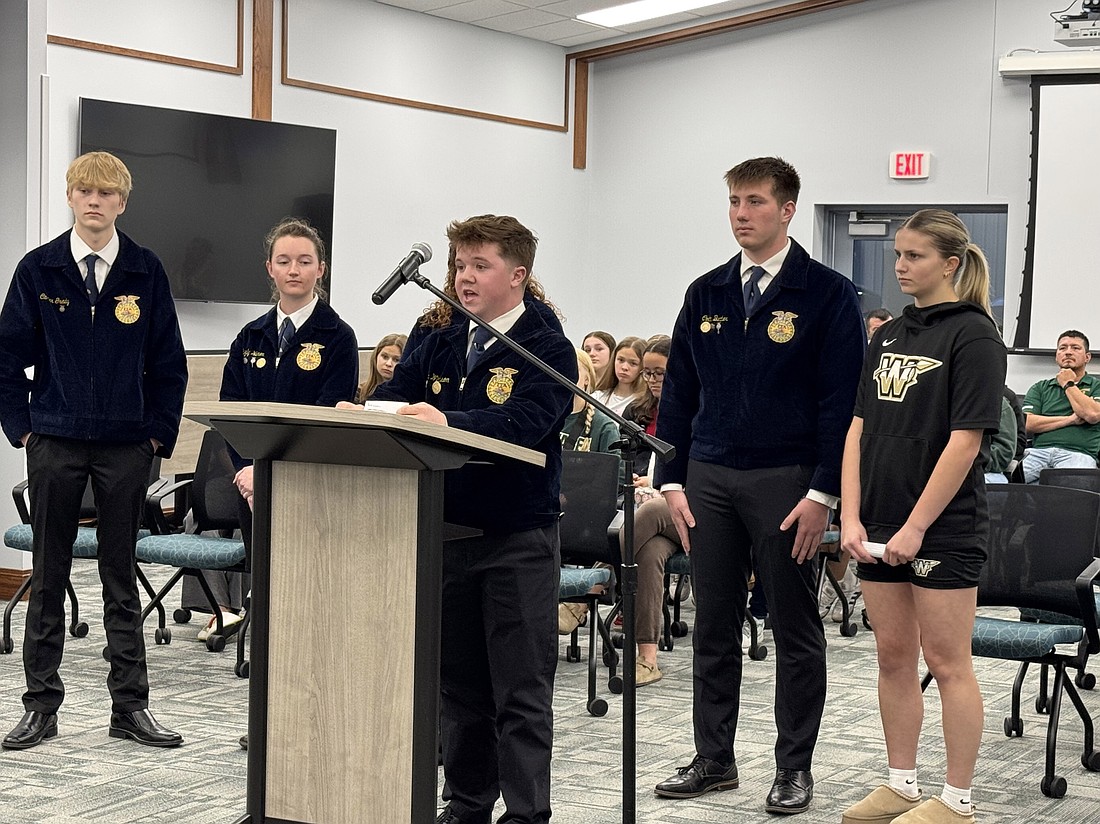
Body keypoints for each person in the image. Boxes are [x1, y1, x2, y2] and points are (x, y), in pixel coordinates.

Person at [652, 157, 865, 815]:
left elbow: (841, 404)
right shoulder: (708, 290)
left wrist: (823, 495)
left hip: (788, 480)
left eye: (754, 201)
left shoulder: (826, 294)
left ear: (787, 209)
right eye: (734, 202)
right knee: (712, 623)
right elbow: (679, 394)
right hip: (709, 477)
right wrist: (673, 480)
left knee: (795, 627)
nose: (741, 213)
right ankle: (714, 759)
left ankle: (792, 769)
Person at [350, 214, 575, 824]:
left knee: (521, 691)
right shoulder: (440, 330)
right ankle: (467, 804)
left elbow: (527, 423)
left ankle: (527, 813)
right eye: (459, 265)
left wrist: (449, 423)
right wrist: (369, 414)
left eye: (481, 266)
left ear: (519, 275)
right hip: (444, 532)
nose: (464, 276)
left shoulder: (547, 345)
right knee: (460, 688)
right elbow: (405, 397)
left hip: (516, 537)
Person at [0, 151, 188, 749]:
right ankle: (39, 706)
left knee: (120, 577)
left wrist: (156, 437)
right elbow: (6, 356)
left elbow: (168, 365)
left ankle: (130, 708)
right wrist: (24, 429)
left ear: (122, 203)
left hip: (125, 447)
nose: (94, 201)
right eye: (84, 191)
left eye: (106, 193)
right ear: (70, 197)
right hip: (53, 442)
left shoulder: (145, 270)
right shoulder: (40, 269)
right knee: (48, 574)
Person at [839, 209, 1006, 824]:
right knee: (892, 656)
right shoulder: (886, 336)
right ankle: (902, 783)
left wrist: (915, 529)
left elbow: (965, 443)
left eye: (915, 256)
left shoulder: (975, 335)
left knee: (947, 660)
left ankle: (957, 800)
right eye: (898, 255)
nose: (901, 266)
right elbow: (858, 430)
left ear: (951, 263)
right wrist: (853, 518)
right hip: (877, 522)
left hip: (943, 527)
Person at [185, 218, 359, 641]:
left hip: (308, 478)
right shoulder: (250, 336)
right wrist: (249, 471)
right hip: (251, 482)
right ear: (270, 269)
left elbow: (327, 417)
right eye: (284, 261)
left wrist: (274, 468)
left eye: (304, 261)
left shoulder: (338, 337)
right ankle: (260, 652)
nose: (294, 269)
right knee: (262, 573)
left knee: (305, 578)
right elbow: (230, 414)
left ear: (322, 269)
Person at [558, 348, 623, 636]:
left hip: (587, 517)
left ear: (587, 380)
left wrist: (573, 495)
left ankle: (575, 606)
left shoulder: (603, 425)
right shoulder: (547, 417)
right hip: (550, 510)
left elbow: (611, 478)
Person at [1019, 330, 1100, 483]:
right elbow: (1027, 424)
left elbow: (1092, 415)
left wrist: (1067, 383)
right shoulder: (1040, 388)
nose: (1068, 352)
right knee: (1006, 483)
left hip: (1078, 454)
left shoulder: (1096, 386)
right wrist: (1070, 420)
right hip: (1037, 453)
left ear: (1087, 357)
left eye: (1075, 348)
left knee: (1071, 491)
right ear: (1057, 356)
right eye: (1063, 348)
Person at [592, 335, 645, 415]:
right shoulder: (597, 397)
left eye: (633, 363)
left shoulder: (644, 403)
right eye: (621, 360)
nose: (624, 367)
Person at [353, 332, 407, 403]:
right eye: (384, 357)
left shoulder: (411, 396)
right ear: (376, 356)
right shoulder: (359, 392)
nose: (388, 364)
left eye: (396, 360)